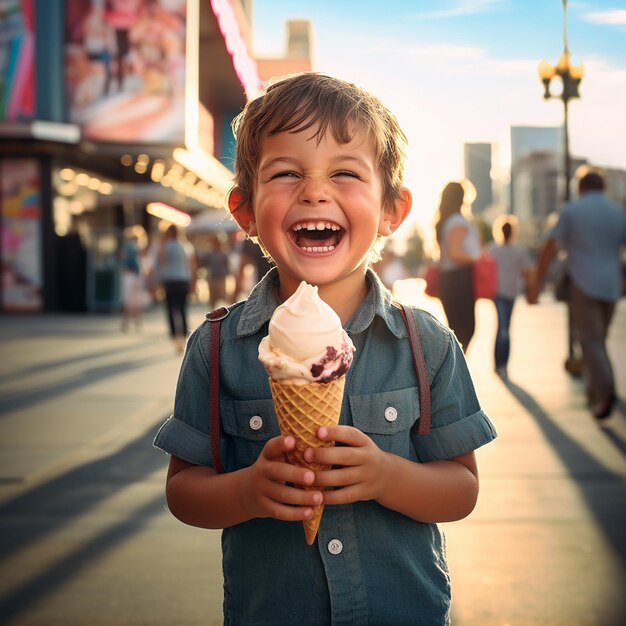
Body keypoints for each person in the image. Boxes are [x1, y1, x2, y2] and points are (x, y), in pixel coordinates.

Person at [154, 72, 497, 625]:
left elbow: (461, 489)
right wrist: (246, 491)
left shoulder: (424, 342)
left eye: (344, 173)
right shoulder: (218, 347)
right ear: (245, 211)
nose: (315, 191)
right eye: (286, 173)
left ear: (392, 209)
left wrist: (387, 476)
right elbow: (184, 492)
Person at [529, 171, 626, 420]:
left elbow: (550, 247)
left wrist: (536, 282)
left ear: (581, 187)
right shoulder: (617, 212)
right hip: (612, 285)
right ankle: (594, 394)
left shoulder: (572, 210)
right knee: (599, 340)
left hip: (583, 283)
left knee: (591, 342)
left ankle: (605, 393)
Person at [434, 180, 481, 352]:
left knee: (458, 330)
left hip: (449, 279)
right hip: (459, 279)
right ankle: (456, 371)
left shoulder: (446, 221)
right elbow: (455, 254)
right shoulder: (457, 222)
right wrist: (477, 258)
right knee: (465, 330)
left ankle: (455, 370)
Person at [486, 215, 533, 379]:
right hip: (503, 293)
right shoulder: (514, 250)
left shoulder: (493, 249)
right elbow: (528, 272)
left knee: (503, 328)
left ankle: (501, 365)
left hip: (505, 293)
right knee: (504, 328)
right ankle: (500, 365)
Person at [156, 223, 196, 353]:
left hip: (170, 280)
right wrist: (192, 283)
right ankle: (184, 338)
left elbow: (160, 263)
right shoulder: (186, 246)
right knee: (183, 309)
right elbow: (192, 266)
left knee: (170, 310)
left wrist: (159, 282)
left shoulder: (165, 246)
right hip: (183, 280)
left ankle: (175, 339)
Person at [119, 225, 147, 332]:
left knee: (136, 301)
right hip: (131, 275)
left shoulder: (133, 246)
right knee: (131, 300)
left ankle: (135, 322)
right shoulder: (131, 247)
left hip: (134, 275)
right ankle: (128, 323)